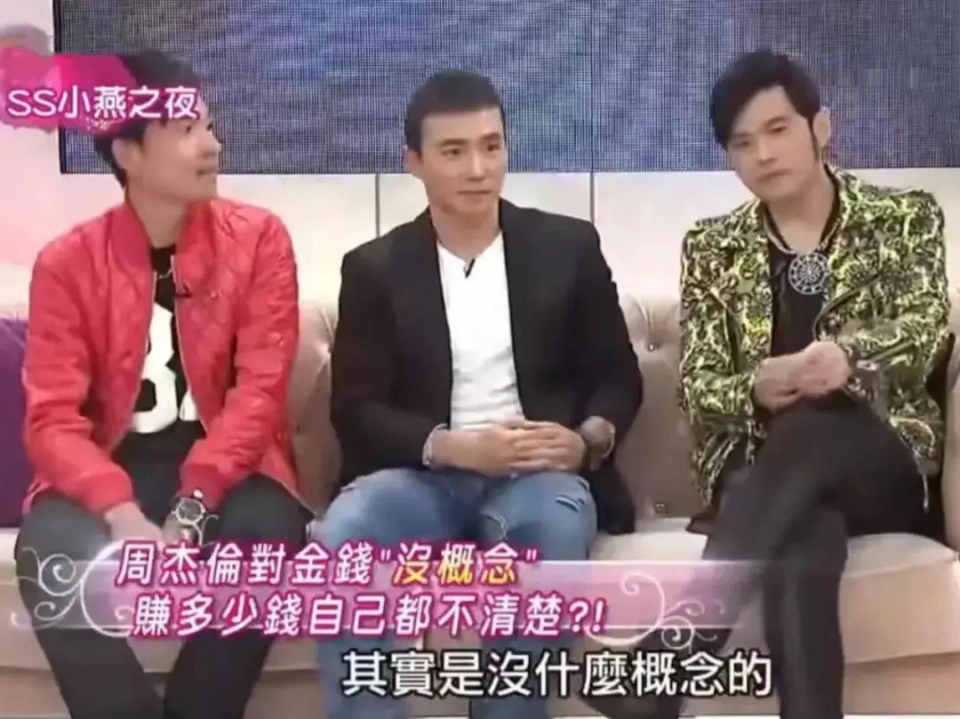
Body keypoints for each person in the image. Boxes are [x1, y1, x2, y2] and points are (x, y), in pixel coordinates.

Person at [584, 50, 951, 719]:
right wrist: (754, 387)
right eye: (743, 142)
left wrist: (848, 357)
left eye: (778, 130)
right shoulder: (713, 247)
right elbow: (699, 385)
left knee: (815, 423)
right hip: (763, 473)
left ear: (821, 127)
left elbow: (928, 326)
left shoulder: (902, 218)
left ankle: (667, 660)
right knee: (804, 538)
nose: (763, 154)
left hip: (881, 464)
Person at [313, 69, 642, 719]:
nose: (478, 168)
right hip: (420, 476)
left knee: (551, 530)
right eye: (454, 151)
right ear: (414, 162)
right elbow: (355, 410)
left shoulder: (568, 247)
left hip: (537, 475)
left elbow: (618, 375)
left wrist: (585, 440)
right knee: (346, 535)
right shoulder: (374, 268)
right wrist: (452, 447)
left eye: (491, 146)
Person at [15, 49, 310, 719]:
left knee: (267, 536)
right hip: (109, 463)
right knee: (49, 551)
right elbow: (53, 421)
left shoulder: (259, 240)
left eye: (208, 125)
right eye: (185, 130)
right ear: (129, 154)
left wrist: (194, 503)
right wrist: (121, 514)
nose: (212, 145)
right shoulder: (66, 263)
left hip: (232, 467)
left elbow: (260, 393)